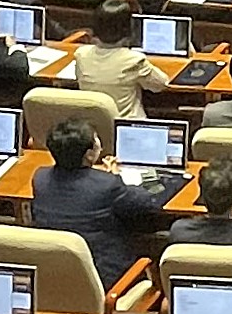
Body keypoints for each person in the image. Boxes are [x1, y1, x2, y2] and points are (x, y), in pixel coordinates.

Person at [28, 118, 175, 284]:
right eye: (96, 139)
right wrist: (146, 177)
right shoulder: (107, 185)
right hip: (104, 276)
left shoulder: (40, 178)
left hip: (56, 273)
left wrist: (108, 176)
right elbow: (149, 203)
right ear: (89, 154)